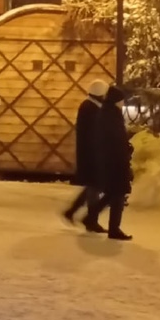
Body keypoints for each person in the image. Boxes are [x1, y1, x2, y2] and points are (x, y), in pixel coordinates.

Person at [91, 83, 134, 241]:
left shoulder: (107, 113)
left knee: (113, 194)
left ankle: (91, 217)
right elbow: (115, 140)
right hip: (116, 162)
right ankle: (114, 229)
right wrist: (125, 151)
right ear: (116, 100)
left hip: (111, 161)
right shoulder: (112, 116)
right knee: (118, 195)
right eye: (121, 100)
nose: (123, 103)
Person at [63, 80, 107, 226]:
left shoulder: (89, 107)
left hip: (90, 153)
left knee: (93, 186)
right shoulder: (91, 109)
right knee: (95, 186)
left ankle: (73, 212)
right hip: (92, 155)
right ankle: (91, 220)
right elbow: (96, 133)